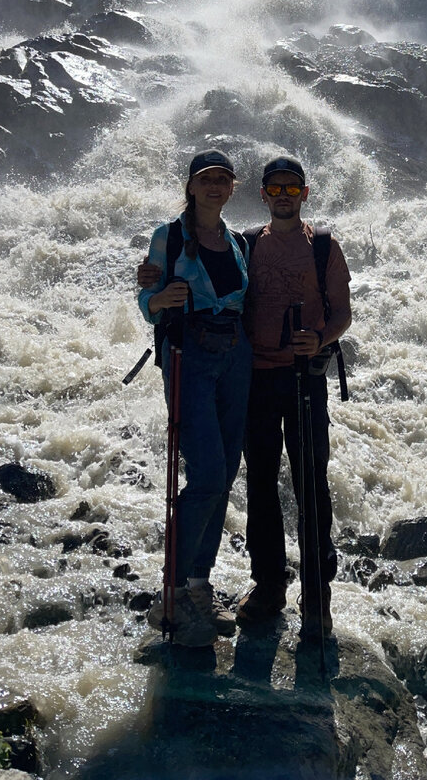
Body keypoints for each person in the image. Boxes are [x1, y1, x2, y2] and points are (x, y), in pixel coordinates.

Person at [138, 149, 252, 649]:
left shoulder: (235, 241)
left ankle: (200, 585)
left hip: (235, 356)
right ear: (190, 185)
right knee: (205, 473)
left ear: (232, 188)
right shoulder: (169, 236)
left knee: (223, 474)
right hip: (190, 355)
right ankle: (172, 586)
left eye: (222, 179)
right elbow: (147, 298)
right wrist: (156, 299)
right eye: (206, 178)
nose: (214, 186)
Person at [236, 157, 351, 640]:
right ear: (263, 195)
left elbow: (343, 313)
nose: (283, 195)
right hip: (255, 380)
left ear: (305, 193)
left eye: (292, 188)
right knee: (260, 484)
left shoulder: (323, 246)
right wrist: (153, 277)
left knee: (310, 483)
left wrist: (320, 338)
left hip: (305, 377)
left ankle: (317, 595)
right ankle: (268, 586)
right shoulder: (244, 246)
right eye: (275, 188)